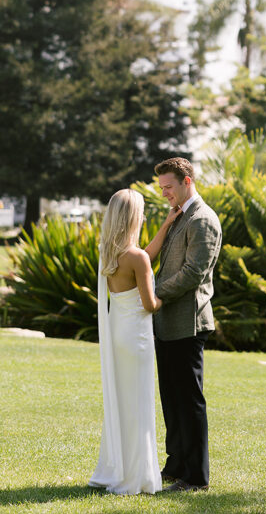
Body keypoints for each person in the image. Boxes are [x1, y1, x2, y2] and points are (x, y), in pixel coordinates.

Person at [150, 156, 222, 493]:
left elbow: (194, 273)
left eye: (168, 187)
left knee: (189, 400)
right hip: (168, 322)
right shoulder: (179, 215)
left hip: (188, 322)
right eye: (162, 187)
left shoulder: (203, 219)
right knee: (171, 398)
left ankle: (196, 477)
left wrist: (152, 294)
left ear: (186, 182)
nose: (164, 192)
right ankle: (176, 465)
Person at [89, 189, 164, 495]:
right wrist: (167, 295)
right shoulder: (138, 259)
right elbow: (149, 304)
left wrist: (165, 227)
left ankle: (120, 467)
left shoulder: (109, 253)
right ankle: (138, 475)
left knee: (125, 404)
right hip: (138, 339)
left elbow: (143, 257)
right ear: (134, 218)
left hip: (120, 336)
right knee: (140, 405)